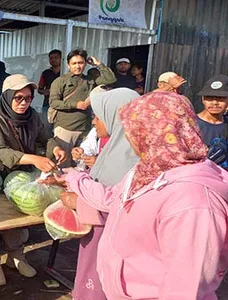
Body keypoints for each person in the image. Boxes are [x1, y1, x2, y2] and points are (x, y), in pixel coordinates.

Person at [58, 92, 228, 299]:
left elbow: (186, 289)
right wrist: (74, 178)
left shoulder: (193, 202)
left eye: (134, 130)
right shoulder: (146, 171)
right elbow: (113, 199)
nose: (129, 138)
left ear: (153, 133)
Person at [0, 74, 67, 286]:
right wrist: (34, 158)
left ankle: (16, 256)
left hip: (22, 175)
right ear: (7, 96)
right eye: (18, 98)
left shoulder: (33, 116)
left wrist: (54, 147)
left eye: (28, 98)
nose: (23, 103)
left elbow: (45, 138)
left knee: (18, 219)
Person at [56, 88, 140, 300]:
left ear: (116, 117)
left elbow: (113, 203)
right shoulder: (117, 148)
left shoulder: (130, 158)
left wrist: (78, 200)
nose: (93, 122)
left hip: (110, 242)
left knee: (100, 285)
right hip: (98, 239)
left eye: (98, 116)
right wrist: (73, 178)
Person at [49, 48, 116, 167]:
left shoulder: (90, 80)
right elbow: (54, 102)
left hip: (85, 129)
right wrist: (76, 105)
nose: (77, 66)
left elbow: (111, 79)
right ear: (68, 64)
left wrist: (98, 64)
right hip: (65, 128)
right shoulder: (60, 81)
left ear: (85, 64)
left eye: (80, 63)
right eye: (74, 63)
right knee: (62, 164)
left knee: (80, 165)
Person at [196, 74, 228, 146]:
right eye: (209, 98)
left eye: (220, 98)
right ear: (203, 99)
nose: (215, 103)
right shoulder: (191, 124)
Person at [38, 49, 62, 128]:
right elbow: (39, 89)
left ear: (61, 59)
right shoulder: (45, 73)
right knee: (47, 126)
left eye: (56, 57)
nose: (53, 60)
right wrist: (46, 92)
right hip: (48, 104)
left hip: (63, 104)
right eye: (51, 58)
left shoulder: (65, 72)